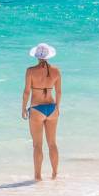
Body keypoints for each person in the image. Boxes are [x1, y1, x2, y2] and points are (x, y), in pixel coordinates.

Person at [21, 43, 62, 181]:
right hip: (51, 108)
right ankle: (55, 174)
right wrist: (58, 107)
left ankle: (38, 177)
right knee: (52, 143)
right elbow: (59, 92)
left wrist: (23, 108)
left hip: (37, 109)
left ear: (37, 56)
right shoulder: (56, 71)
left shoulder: (30, 71)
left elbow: (27, 92)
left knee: (37, 145)